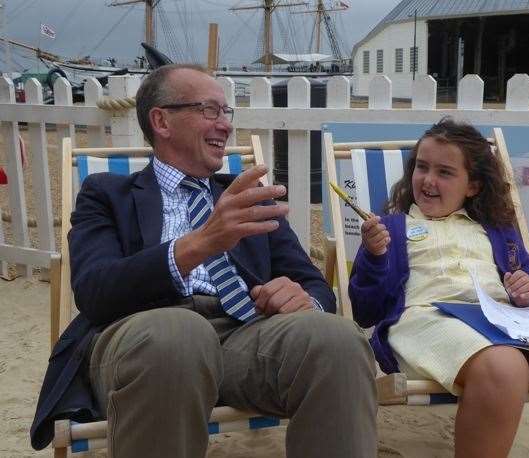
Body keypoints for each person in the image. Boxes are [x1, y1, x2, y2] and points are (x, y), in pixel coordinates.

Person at [31, 64, 377, 458]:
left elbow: (312, 282)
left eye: (226, 112)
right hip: (141, 339)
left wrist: (303, 299)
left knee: (338, 340)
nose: (225, 125)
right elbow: (95, 291)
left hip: (245, 339)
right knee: (178, 334)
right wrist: (199, 244)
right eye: (209, 110)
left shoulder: (243, 195)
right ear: (161, 120)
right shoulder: (107, 193)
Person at [349, 118, 529, 458]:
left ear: (472, 186)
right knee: (504, 366)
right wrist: (375, 255)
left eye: (445, 172)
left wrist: (526, 293)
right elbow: (365, 311)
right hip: (429, 318)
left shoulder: (497, 230)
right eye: (422, 167)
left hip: (505, 322)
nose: (428, 179)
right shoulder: (392, 228)